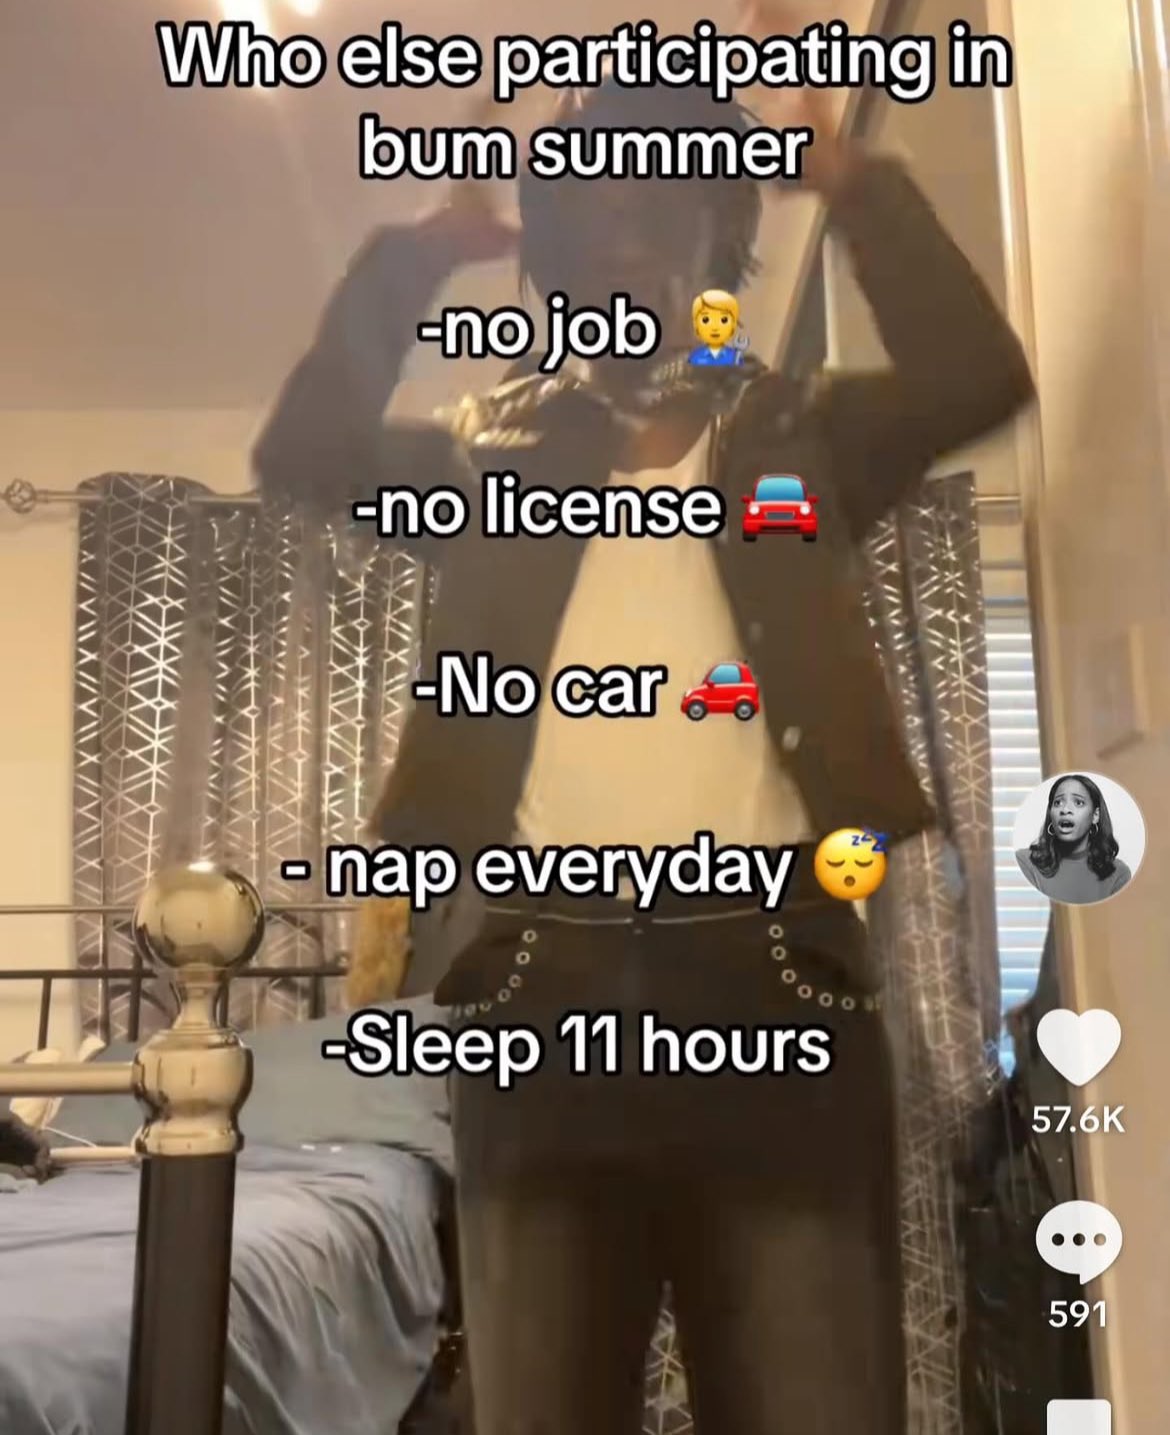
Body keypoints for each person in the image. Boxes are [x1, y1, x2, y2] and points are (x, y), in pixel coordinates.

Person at [254, 42, 1033, 1435]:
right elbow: (304, 452)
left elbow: (977, 373)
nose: (631, 246)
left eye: (664, 209)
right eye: (598, 214)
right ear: (551, 266)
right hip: (533, 995)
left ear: (716, 244)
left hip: (779, 982)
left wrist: (848, 178)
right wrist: (416, 256)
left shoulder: (802, 443)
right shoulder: (484, 463)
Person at [1016, 773, 1132, 905]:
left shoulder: (1119, 874)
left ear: (1095, 815)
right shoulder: (1025, 862)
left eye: (1078, 802)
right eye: (1058, 802)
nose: (1065, 809)